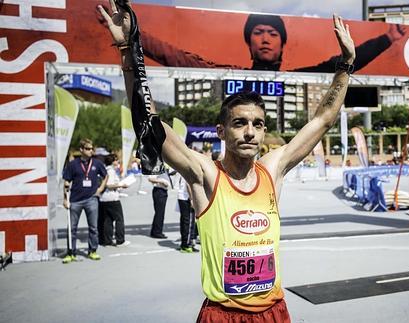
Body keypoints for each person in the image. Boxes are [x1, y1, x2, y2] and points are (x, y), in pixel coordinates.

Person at [99, 0, 358, 320]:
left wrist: (346, 64)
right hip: (223, 314)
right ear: (221, 130)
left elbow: (322, 121)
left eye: (258, 124)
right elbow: (150, 125)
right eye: (240, 123)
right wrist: (128, 49)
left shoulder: (272, 170)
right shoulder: (204, 175)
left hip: (273, 312)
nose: (250, 132)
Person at [97, 5, 404, 73]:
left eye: (273, 33)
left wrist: (388, 37)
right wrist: (132, 39)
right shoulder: (232, 73)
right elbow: (175, 57)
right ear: (249, 43)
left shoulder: (298, 76)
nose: (266, 38)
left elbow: (339, 65)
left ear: (283, 43)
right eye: (258, 33)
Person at [62, 138, 108, 263]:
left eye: (92, 148)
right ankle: (71, 252)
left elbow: (105, 176)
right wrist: (65, 199)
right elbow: (66, 182)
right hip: (75, 200)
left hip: (91, 199)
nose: (90, 151)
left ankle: (92, 251)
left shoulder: (97, 163)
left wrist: (101, 189)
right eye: (87, 148)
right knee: (72, 228)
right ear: (81, 150)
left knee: (93, 227)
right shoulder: (73, 165)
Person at [99, 154, 130, 247]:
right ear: (112, 161)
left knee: (108, 220)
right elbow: (109, 185)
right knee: (119, 219)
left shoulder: (104, 170)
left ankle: (107, 240)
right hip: (112, 198)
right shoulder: (111, 171)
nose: (118, 162)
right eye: (116, 160)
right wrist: (121, 185)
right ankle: (120, 240)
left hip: (104, 198)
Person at [176, 173, 199, 253]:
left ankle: (186, 243)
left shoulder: (184, 170)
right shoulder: (188, 170)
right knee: (188, 222)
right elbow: (189, 185)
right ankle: (186, 245)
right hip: (186, 198)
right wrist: (192, 199)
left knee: (185, 222)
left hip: (183, 197)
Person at [148, 170, 172, 239]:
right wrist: (162, 181)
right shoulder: (157, 168)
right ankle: (157, 232)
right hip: (159, 190)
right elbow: (150, 178)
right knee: (159, 213)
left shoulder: (163, 168)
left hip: (162, 190)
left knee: (159, 213)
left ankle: (155, 231)